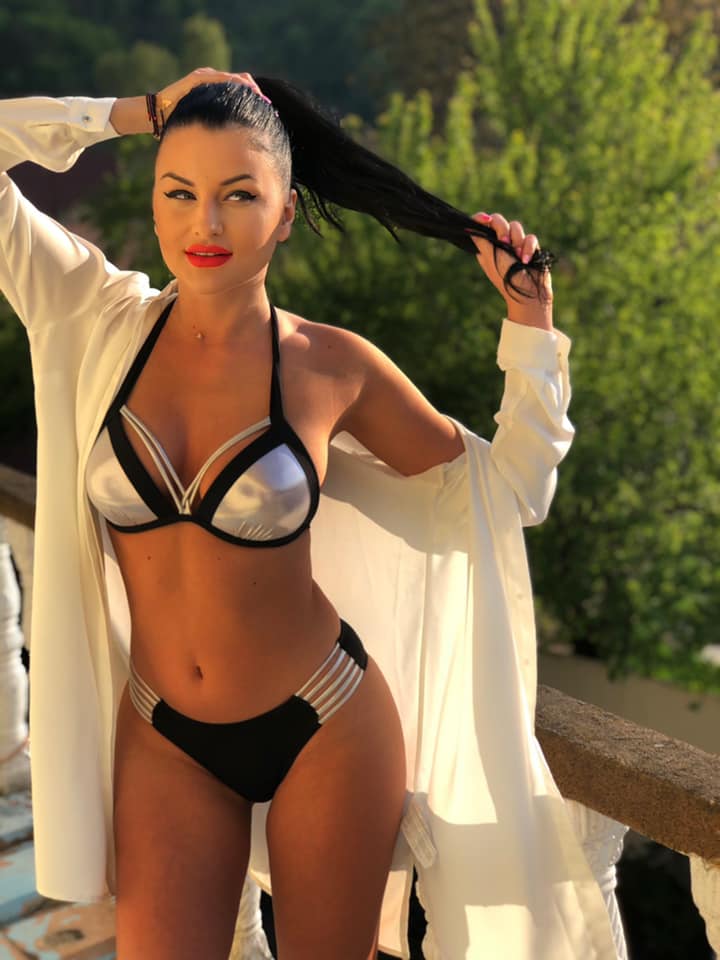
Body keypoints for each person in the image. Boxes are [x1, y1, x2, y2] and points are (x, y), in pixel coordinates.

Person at [0, 68, 618, 959]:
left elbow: (509, 489)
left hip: (324, 723)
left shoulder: (334, 367)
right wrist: (137, 112)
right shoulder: (89, 317)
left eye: (239, 195)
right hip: (163, 733)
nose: (206, 226)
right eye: (180, 193)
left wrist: (532, 332)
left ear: (286, 212)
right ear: (154, 201)